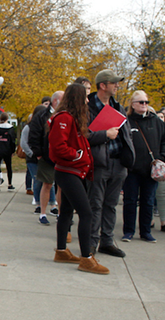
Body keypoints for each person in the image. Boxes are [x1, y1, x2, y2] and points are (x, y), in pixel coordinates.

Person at [50, 83, 109, 274]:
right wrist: (79, 155)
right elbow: (59, 147)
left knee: (66, 211)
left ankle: (61, 251)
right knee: (86, 213)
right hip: (69, 171)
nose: (87, 100)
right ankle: (86, 258)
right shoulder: (64, 118)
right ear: (77, 98)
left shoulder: (71, 118)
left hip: (72, 170)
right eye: (85, 97)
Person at [86, 69, 135, 258]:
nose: (117, 85)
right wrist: (104, 135)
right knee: (95, 204)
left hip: (118, 163)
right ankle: (91, 242)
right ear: (102, 85)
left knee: (111, 205)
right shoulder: (88, 108)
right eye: (114, 82)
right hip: (99, 163)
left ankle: (107, 241)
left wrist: (128, 157)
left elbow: (126, 133)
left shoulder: (118, 107)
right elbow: (84, 137)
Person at [122, 93, 165, 243]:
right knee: (130, 201)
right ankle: (128, 231)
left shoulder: (156, 121)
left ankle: (145, 231)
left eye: (146, 102)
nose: (144, 104)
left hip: (150, 169)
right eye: (141, 102)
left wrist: (162, 157)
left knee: (148, 201)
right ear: (133, 104)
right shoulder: (126, 121)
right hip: (132, 169)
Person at [29, 90, 64, 224]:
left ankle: (60, 212)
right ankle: (42, 213)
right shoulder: (42, 116)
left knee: (61, 186)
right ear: (55, 101)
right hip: (46, 156)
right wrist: (38, 153)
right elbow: (34, 135)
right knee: (47, 184)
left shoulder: (66, 115)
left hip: (62, 156)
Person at [20, 111, 38, 195]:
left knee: (38, 177)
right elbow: (23, 143)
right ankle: (29, 188)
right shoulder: (27, 128)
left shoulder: (41, 127)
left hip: (39, 155)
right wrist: (30, 153)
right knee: (32, 175)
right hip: (31, 156)